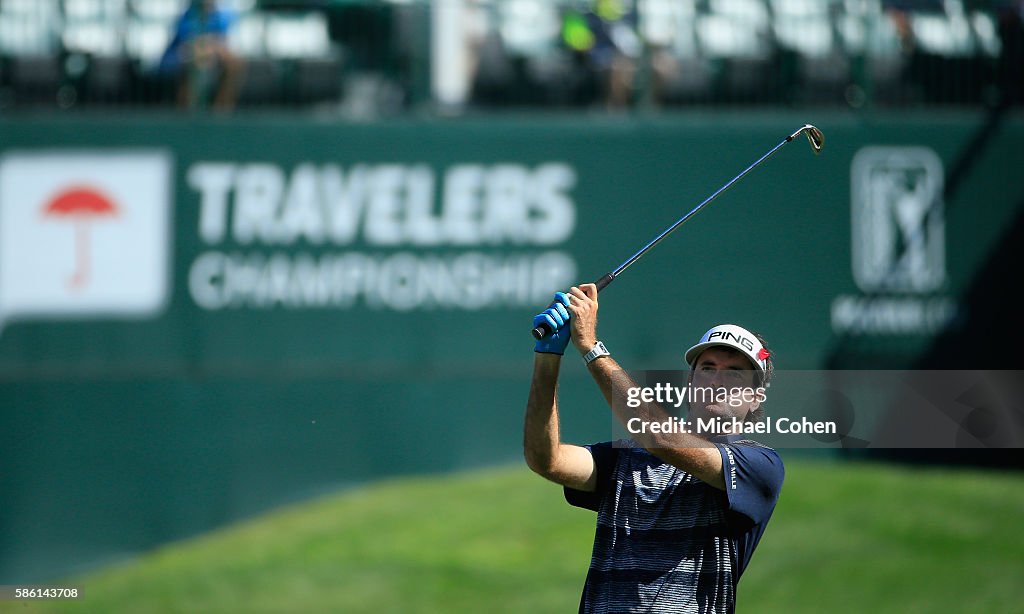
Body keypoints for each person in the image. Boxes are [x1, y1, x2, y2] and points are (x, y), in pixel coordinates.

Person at [524, 284, 784, 614]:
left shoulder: (759, 464)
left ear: (755, 397)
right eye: (708, 368)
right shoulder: (624, 456)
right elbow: (546, 460)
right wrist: (548, 358)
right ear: (691, 383)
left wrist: (591, 348)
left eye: (734, 372)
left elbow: (662, 440)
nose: (717, 381)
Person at [158, 0, 244, 111]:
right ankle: (188, 113)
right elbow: (187, 47)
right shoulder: (186, 18)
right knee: (199, 62)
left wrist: (211, 48)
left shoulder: (220, 17)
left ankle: (221, 112)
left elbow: (222, 44)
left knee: (234, 63)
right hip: (179, 63)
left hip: (210, 61)